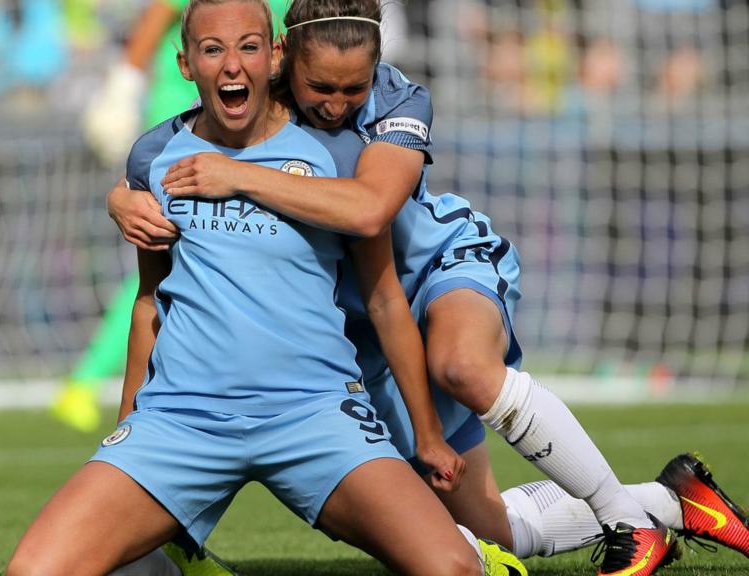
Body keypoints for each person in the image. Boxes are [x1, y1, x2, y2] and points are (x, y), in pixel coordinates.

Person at [109, 0, 749, 572]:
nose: (336, 105)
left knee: (463, 366)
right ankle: (671, 500)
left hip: (438, 267)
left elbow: (367, 209)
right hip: (366, 326)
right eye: (319, 88)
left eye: (352, 89)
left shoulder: (399, 100)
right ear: (285, 60)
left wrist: (238, 177)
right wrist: (122, 197)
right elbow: (161, 157)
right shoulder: (252, 92)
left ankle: (624, 520)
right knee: (484, 525)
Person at [6, 0, 526, 574]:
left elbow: (383, 300)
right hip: (182, 421)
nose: (232, 65)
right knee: (33, 570)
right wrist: (128, 425)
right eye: (212, 50)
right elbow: (150, 304)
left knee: (454, 567)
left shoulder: (339, 155)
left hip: (316, 415)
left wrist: (427, 434)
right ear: (184, 64)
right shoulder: (153, 158)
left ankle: (614, 510)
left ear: (275, 54)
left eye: (248, 47)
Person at [52, 0, 289, 433]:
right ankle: (90, 384)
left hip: (252, 121)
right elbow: (160, 11)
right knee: (166, 248)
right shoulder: (169, 123)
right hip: (184, 113)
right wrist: (123, 86)